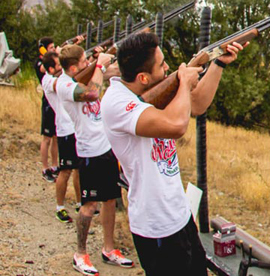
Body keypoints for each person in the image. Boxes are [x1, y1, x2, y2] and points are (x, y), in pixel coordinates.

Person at [101, 32, 246, 276]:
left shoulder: (150, 87)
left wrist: (217, 63)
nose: (168, 67)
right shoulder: (116, 102)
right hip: (155, 226)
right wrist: (184, 80)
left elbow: (197, 105)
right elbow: (176, 126)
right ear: (143, 77)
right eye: (162, 64)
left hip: (179, 214)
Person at [57, 44, 133, 275]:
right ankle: (80, 254)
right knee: (89, 206)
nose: (87, 64)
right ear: (72, 67)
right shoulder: (64, 85)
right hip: (89, 152)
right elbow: (91, 93)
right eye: (83, 62)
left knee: (110, 200)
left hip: (107, 147)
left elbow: (111, 73)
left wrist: (116, 57)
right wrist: (99, 64)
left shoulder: (86, 75)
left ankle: (108, 249)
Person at [41, 51, 81, 223]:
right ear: (51, 68)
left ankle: (81, 202)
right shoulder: (48, 80)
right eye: (59, 65)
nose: (61, 68)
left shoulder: (61, 78)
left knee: (79, 169)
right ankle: (60, 207)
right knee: (65, 171)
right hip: (65, 130)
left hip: (76, 127)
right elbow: (62, 84)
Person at [35, 37, 59, 182]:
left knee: (56, 137)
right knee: (47, 138)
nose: (53, 49)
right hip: (47, 103)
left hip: (56, 101)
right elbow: (43, 68)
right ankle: (45, 167)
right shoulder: (40, 61)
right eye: (51, 47)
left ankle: (55, 165)